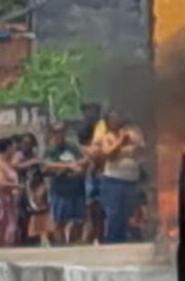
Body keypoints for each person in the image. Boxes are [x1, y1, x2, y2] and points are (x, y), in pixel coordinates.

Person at [91, 111, 145, 245]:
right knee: (114, 214)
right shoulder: (107, 137)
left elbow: (141, 148)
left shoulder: (133, 132)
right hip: (113, 180)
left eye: (118, 118)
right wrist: (121, 142)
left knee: (126, 214)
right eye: (112, 119)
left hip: (131, 180)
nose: (116, 121)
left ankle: (122, 241)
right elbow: (108, 154)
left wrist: (128, 141)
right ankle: (113, 242)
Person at [43, 124, 88, 246]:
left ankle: (74, 243)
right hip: (60, 190)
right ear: (52, 133)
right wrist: (67, 166)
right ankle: (61, 245)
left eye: (62, 131)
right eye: (57, 132)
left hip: (76, 188)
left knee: (79, 219)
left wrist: (77, 164)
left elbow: (84, 159)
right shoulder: (51, 150)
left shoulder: (72, 147)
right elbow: (47, 165)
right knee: (59, 221)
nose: (60, 134)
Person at [12, 134, 46, 245]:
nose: (28, 145)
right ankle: (23, 237)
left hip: (34, 186)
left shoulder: (33, 154)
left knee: (35, 212)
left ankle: (34, 236)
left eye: (30, 143)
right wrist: (31, 162)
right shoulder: (19, 154)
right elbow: (15, 165)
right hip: (23, 187)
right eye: (25, 143)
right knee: (23, 212)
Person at [78, 104, 105, 244]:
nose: (91, 113)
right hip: (91, 172)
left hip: (103, 170)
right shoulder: (83, 128)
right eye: (89, 110)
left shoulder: (104, 127)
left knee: (102, 206)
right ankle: (92, 235)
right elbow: (84, 148)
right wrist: (91, 159)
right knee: (91, 206)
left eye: (94, 110)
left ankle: (99, 235)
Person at [0, 138, 22, 247]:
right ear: (7, 148)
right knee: (2, 229)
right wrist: (18, 186)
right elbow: (2, 184)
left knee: (8, 230)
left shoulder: (5, 163)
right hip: (0, 202)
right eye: (12, 148)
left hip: (8, 201)